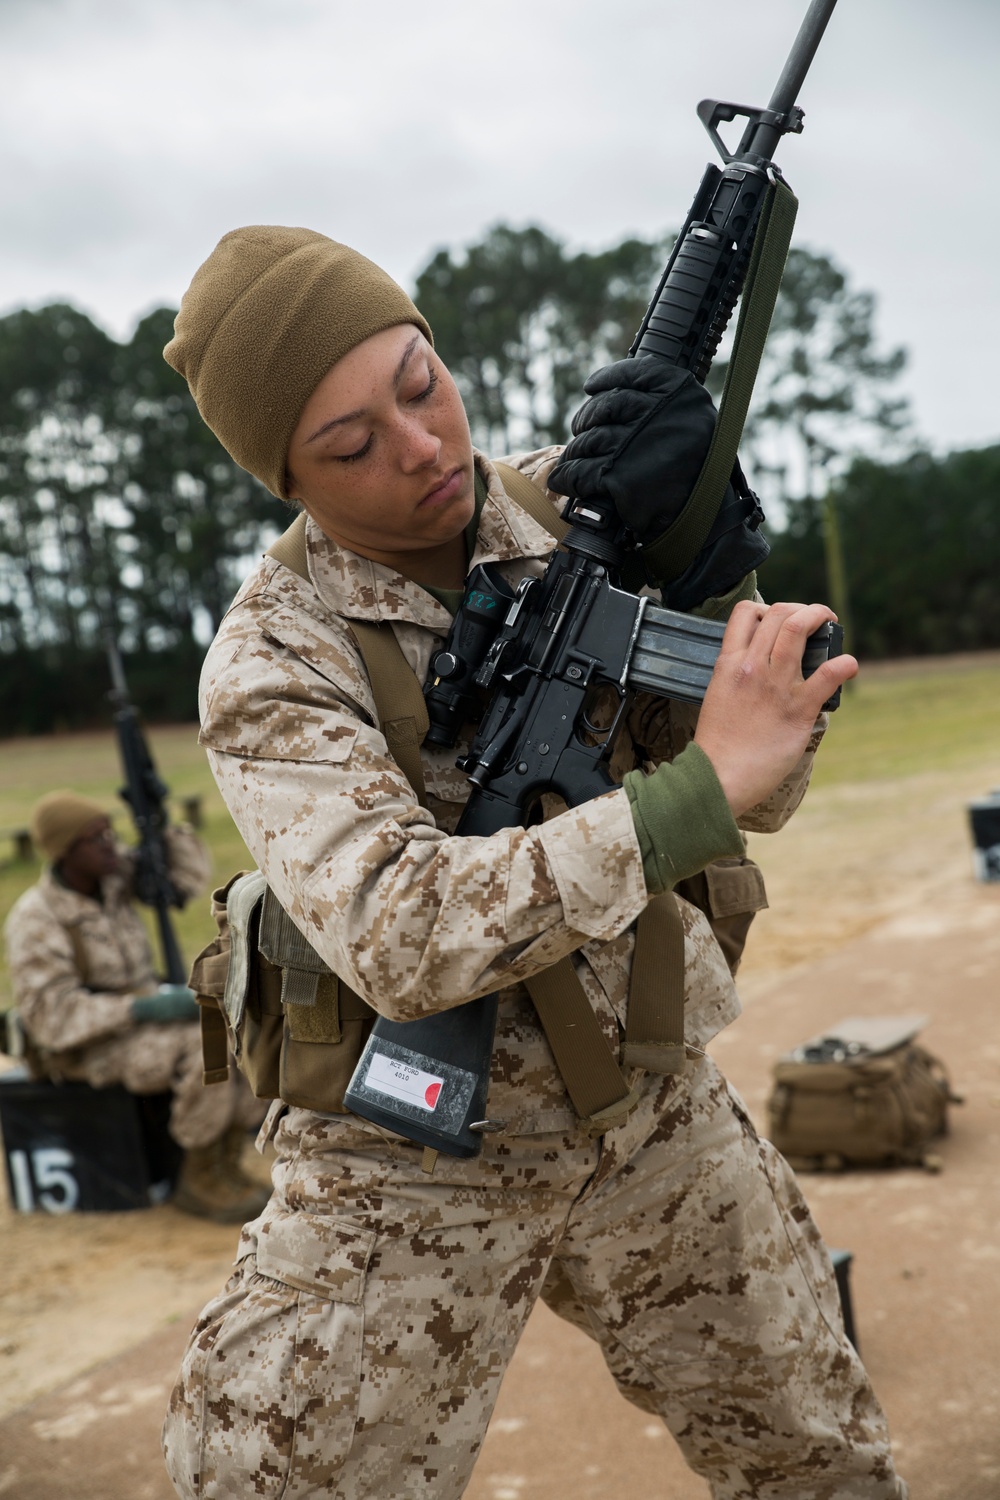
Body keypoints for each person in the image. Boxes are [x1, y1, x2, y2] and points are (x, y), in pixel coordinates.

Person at [159, 225, 907, 1498]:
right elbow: (401, 931)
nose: (422, 447)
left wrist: (718, 561)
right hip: (411, 1156)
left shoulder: (583, 511)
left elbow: (764, 781)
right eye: (348, 445)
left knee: (818, 1459)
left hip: (652, 1106)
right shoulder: (275, 660)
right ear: (280, 474)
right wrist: (696, 789)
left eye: (419, 383)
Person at [3, 791, 270, 1223]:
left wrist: (159, 823)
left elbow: (183, 881)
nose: (112, 844)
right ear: (66, 851)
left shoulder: (112, 878)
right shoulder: (37, 919)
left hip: (137, 1026)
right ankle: (199, 1177)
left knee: (236, 1026)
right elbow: (51, 1017)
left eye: (110, 831)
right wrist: (143, 1009)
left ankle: (224, 1159)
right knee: (203, 1046)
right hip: (83, 1045)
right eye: (96, 838)